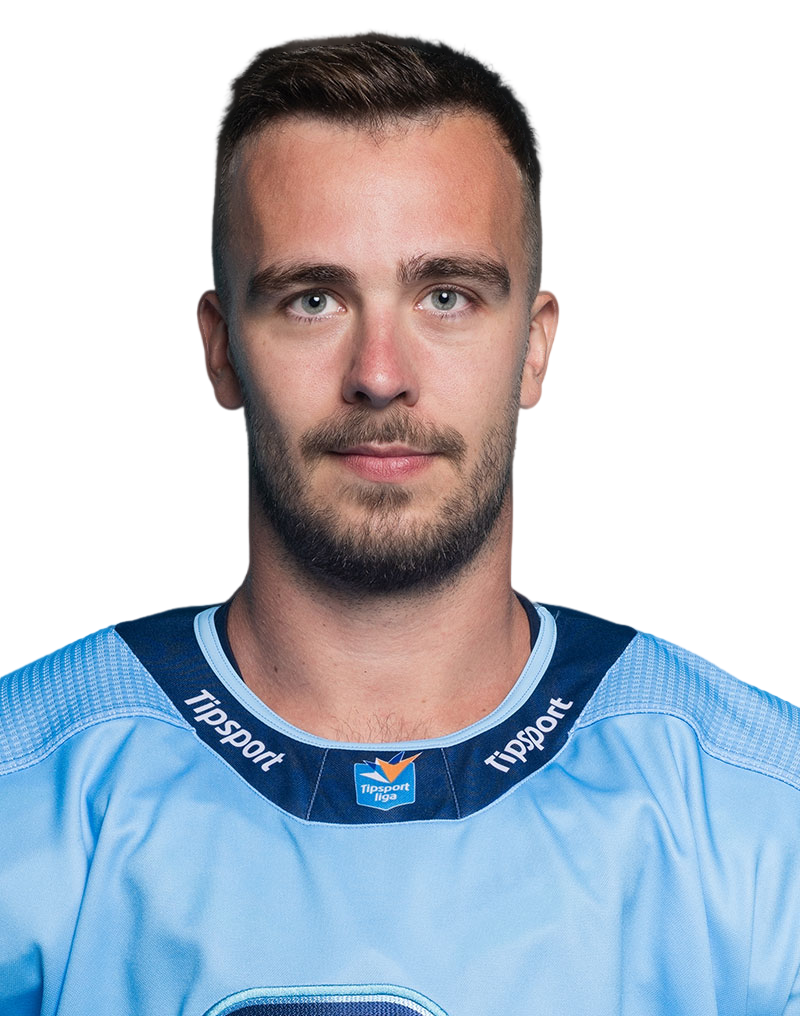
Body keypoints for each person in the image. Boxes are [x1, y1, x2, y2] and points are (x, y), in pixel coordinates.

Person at [1, 27, 798, 1016]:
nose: (379, 373)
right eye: (312, 299)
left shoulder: (761, 822)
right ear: (220, 349)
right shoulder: (29, 798)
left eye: (446, 296)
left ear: (534, 346)